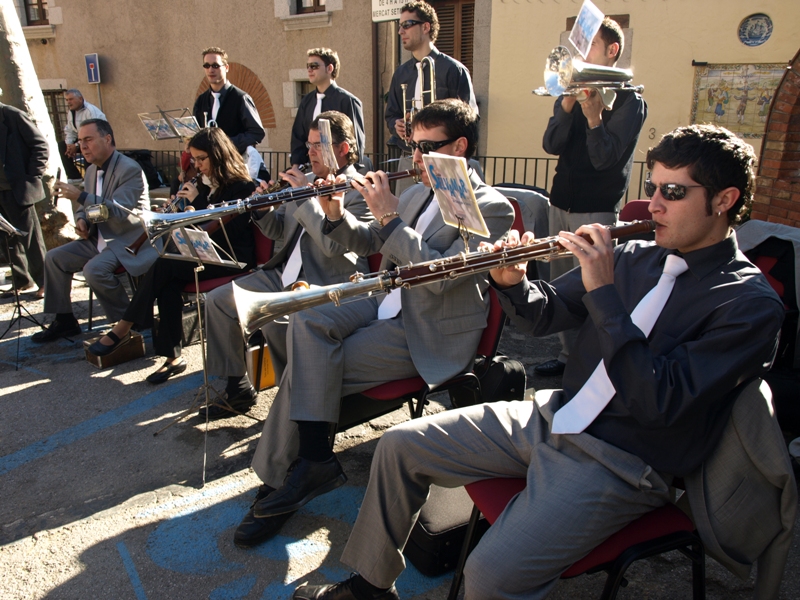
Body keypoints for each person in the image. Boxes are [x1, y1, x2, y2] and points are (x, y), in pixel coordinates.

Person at [293, 124, 785, 600]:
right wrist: (513, 283)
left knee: (487, 576)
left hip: (626, 459)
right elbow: (544, 315)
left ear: (725, 200)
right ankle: (370, 586)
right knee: (399, 446)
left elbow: (656, 400)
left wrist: (605, 293)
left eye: (673, 193)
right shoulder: (635, 255)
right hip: (555, 415)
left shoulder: (748, 306)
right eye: (652, 186)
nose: (652, 204)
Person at [234, 99, 513, 551]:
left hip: (429, 327)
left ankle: (284, 481)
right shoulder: (420, 191)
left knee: (311, 366)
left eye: (427, 147)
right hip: (387, 300)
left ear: (460, 146)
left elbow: (440, 277)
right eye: (413, 146)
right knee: (307, 324)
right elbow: (371, 243)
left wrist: (388, 216)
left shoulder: (489, 205)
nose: (416, 159)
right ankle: (313, 460)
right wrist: (334, 213)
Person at [203, 111, 373, 417]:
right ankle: (238, 387)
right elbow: (279, 229)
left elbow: (334, 246)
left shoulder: (358, 188)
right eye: (308, 145)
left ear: (343, 149)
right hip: (284, 273)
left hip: (324, 279)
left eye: (318, 144)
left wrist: (304, 199)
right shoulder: (306, 180)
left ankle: (297, 400)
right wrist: (263, 210)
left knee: (278, 319)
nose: (309, 152)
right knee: (217, 301)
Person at [86, 128, 257, 380]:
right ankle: (172, 357)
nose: (197, 166)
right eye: (194, 159)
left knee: (164, 267)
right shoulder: (201, 183)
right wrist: (173, 213)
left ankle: (124, 327)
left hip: (232, 257)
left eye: (202, 159)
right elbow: (191, 230)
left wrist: (196, 204)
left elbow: (227, 230)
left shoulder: (242, 186)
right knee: (168, 281)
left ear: (218, 156)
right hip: (201, 254)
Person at [537, 17, 647, 377]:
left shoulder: (630, 101)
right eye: (578, 48)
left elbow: (605, 160)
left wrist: (594, 117)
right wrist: (567, 108)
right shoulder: (571, 93)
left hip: (596, 208)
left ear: (612, 51)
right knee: (560, 285)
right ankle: (569, 356)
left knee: (591, 286)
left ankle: (596, 357)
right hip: (561, 201)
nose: (579, 55)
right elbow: (550, 144)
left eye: (590, 47)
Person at [35, 119, 157, 343]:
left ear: (107, 139)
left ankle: (128, 322)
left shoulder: (129, 169)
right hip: (98, 237)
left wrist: (79, 195)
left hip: (127, 240)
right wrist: (82, 220)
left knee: (94, 270)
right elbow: (86, 209)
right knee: (54, 258)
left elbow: (118, 212)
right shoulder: (91, 171)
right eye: (80, 141)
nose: (82, 146)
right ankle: (64, 321)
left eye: (88, 139)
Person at [384, 2, 478, 171]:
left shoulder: (453, 70)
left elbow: (469, 119)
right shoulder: (400, 74)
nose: (400, 31)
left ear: (426, 27)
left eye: (407, 25)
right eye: (400, 26)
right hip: (410, 156)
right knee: (408, 198)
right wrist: (396, 125)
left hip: (444, 159)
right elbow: (391, 114)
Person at [0, 97, 49, 299]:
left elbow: (40, 146)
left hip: (18, 189)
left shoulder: (13, 115)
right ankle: (22, 280)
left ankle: (46, 282)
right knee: (6, 238)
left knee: (31, 240)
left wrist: (30, 176)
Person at [290, 48, 366, 167]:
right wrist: (296, 166)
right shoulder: (306, 101)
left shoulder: (348, 101)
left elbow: (355, 142)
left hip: (339, 171)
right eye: (308, 66)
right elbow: (298, 137)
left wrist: (349, 173)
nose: (309, 70)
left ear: (330, 68)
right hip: (312, 170)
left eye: (314, 66)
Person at [192, 47, 265, 154]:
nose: (211, 70)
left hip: (234, 163)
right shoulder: (201, 100)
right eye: (206, 66)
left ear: (226, 67)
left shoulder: (241, 98)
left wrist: (226, 144)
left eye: (215, 66)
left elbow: (257, 132)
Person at [61, 89, 106, 182]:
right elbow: (70, 130)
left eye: (71, 99)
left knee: (87, 147)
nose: (68, 102)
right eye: (67, 100)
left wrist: (77, 145)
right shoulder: (71, 112)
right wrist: (69, 145)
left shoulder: (90, 111)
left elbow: (93, 133)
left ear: (80, 99)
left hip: (96, 139)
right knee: (61, 146)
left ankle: (89, 179)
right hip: (81, 139)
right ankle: (74, 177)